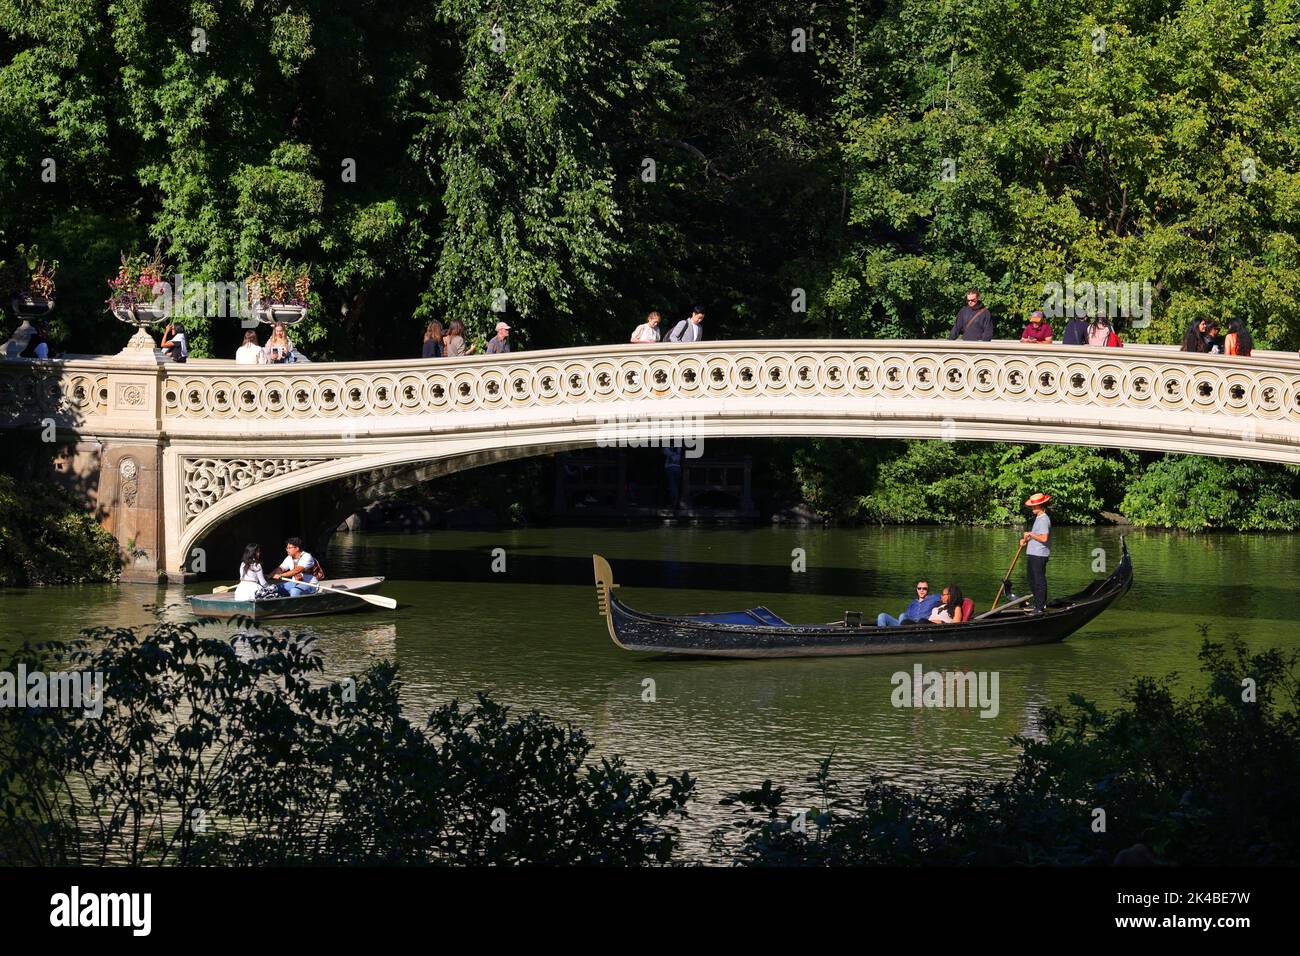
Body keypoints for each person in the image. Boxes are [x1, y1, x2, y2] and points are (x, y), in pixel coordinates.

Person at [1021, 492, 1052, 613]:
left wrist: (1030, 534)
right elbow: (1037, 536)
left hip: (1039, 555)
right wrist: (1025, 540)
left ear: (1041, 506)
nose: (1032, 508)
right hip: (1033, 553)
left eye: (1035, 506)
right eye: (1032, 506)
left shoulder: (1044, 519)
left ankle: (1040, 607)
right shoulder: (1038, 518)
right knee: (1031, 578)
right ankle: (1037, 604)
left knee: (1039, 580)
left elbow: (1044, 538)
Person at [875, 580, 943, 627]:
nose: (921, 590)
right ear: (917, 590)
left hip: (919, 624)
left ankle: (900, 635)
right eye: (919, 588)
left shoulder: (933, 598)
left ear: (927, 590)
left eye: (924, 588)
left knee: (902, 615)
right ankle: (881, 636)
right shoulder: (913, 603)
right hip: (906, 623)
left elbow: (947, 596)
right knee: (882, 615)